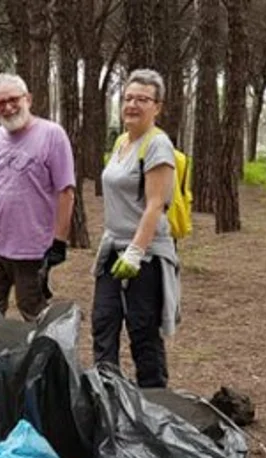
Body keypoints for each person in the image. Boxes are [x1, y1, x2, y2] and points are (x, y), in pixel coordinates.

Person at [92, 68, 181, 388]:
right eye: (128, 98)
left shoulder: (158, 145)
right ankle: (108, 396)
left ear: (157, 106)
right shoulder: (121, 142)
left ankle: (154, 406)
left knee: (143, 330)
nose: (132, 105)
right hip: (112, 248)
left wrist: (135, 253)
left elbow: (156, 204)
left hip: (145, 254)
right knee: (103, 324)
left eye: (142, 99)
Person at [0, 73, 75, 321]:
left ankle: (44, 360)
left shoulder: (52, 135)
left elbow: (66, 192)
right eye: (0, 103)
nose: (7, 107)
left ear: (28, 99)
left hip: (33, 251)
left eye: (13, 99)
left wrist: (58, 242)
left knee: (37, 319)